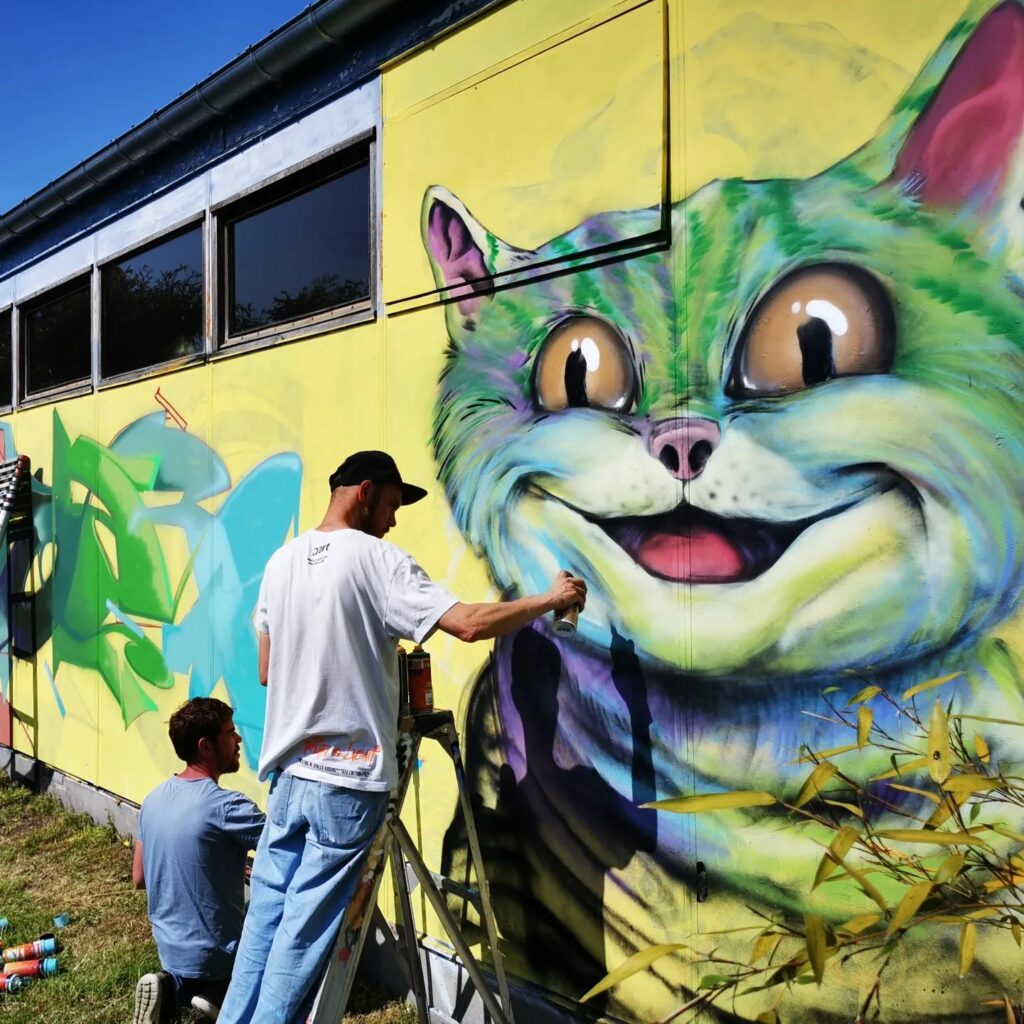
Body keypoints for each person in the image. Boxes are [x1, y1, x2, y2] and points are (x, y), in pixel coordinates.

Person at [217, 450, 586, 1024]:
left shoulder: (281, 563)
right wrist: (551, 600)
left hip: (289, 777)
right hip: (347, 780)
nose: (392, 521)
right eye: (390, 505)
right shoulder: (376, 559)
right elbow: (465, 624)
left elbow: (268, 668)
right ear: (364, 491)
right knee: (300, 941)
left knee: (266, 920)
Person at [133, 698, 266, 1024]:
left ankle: (173, 992)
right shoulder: (228, 807)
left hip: (170, 951)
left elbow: (139, 878)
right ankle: (216, 999)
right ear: (206, 746)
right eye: (230, 734)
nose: (238, 741)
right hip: (219, 957)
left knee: (188, 972)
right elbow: (286, 852)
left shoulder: (152, 800)